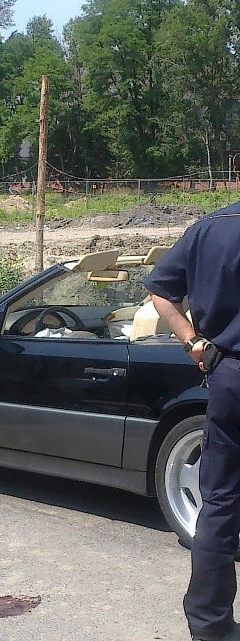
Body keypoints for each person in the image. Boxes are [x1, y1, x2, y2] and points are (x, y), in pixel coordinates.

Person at [145, 203, 240, 641]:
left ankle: (209, 624)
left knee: (219, 502)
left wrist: (193, 342)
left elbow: (160, 290)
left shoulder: (208, 230)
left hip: (229, 377)